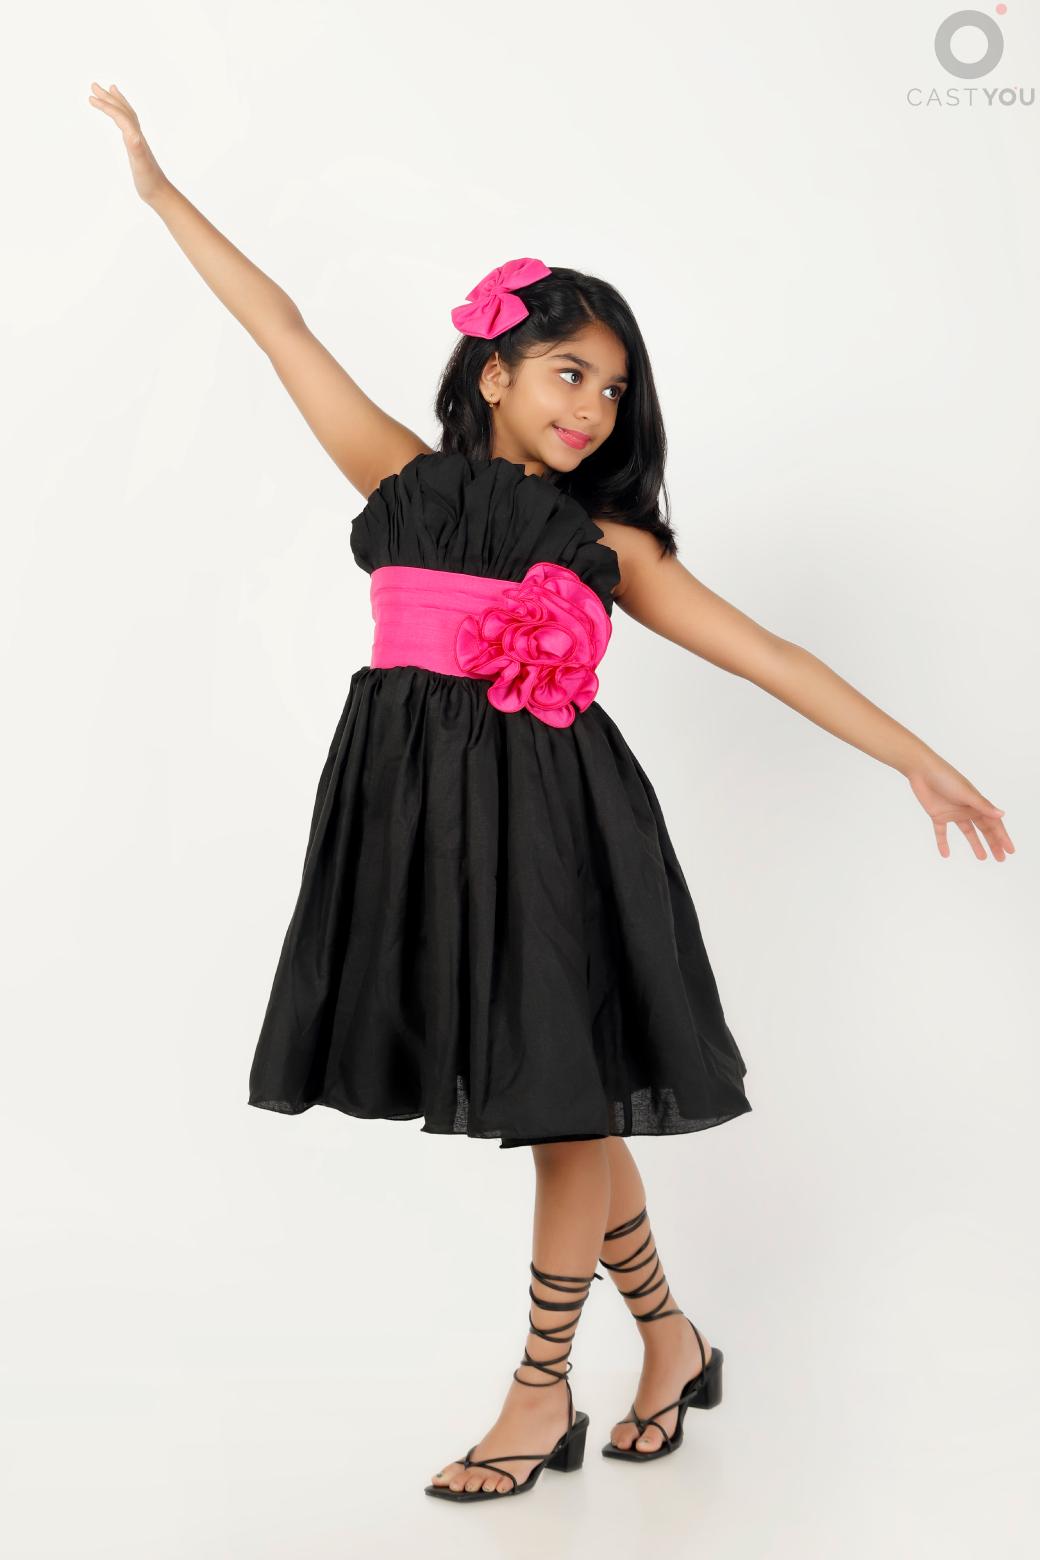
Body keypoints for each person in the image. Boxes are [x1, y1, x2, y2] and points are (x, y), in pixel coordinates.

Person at [89, 82, 1015, 1504]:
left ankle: (540, 1393)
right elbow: (281, 326)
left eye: (614, 389)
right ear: (494, 372)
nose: (594, 406)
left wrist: (917, 757)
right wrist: (159, 191)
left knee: (563, 1107)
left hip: (554, 829)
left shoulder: (608, 545)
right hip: (414, 825)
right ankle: (674, 1343)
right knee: (563, 1098)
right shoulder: (400, 481)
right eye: (570, 372)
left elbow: (769, 654)